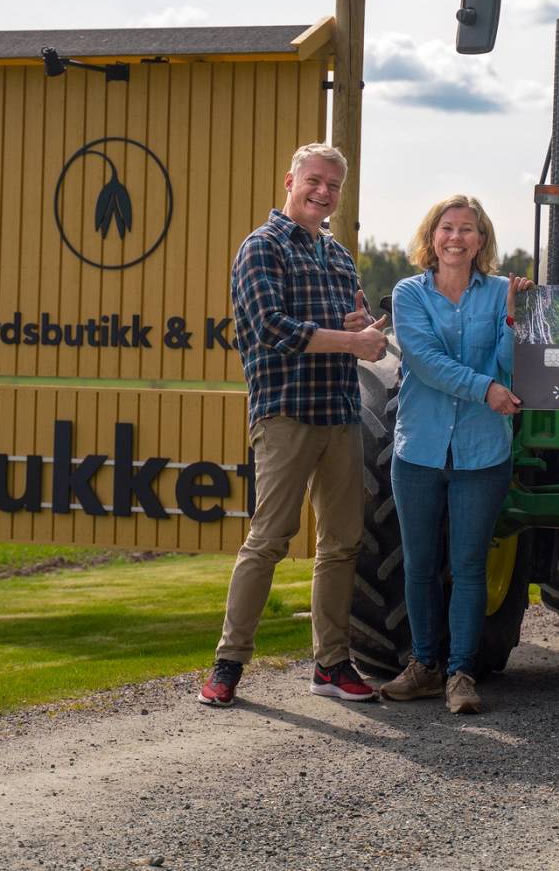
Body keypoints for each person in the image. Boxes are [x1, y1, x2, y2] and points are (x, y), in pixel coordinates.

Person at [199, 142, 389, 708]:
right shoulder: (260, 248)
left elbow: (346, 329)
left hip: (340, 413)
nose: (323, 192)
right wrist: (353, 340)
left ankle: (331, 665)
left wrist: (359, 328)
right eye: (314, 180)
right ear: (290, 181)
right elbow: (272, 329)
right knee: (269, 540)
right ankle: (228, 664)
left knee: (342, 544)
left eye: (333, 185)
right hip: (285, 413)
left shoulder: (339, 256)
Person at [377, 195, 531, 715]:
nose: (456, 238)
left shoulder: (499, 293)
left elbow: (509, 367)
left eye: (468, 229)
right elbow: (423, 360)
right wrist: (486, 389)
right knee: (419, 565)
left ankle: (461, 674)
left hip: (482, 452)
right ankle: (424, 666)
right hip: (418, 448)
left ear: (481, 240)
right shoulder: (409, 294)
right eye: (447, 228)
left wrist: (513, 319)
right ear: (432, 235)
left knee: (467, 565)